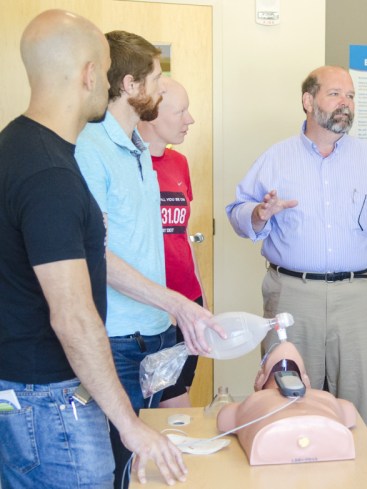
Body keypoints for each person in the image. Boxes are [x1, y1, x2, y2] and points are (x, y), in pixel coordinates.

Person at [0, 9, 187, 487]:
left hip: (22, 394)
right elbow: (73, 315)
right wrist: (130, 426)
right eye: (104, 70)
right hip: (50, 402)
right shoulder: (51, 175)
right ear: (89, 75)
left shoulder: (16, 147)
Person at [226, 65, 367, 441]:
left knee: (359, 407)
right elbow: (237, 214)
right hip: (293, 297)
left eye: (350, 96)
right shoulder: (275, 158)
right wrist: (257, 213)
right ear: (307, 101)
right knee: (288, 402)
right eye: (335, 94)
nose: (345, 104)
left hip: (359, 297)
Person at [75, 30, 222, 487]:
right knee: (119, 466)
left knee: (152, 467)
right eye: (157, 78)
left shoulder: (140, 150)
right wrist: (178, 304)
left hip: (154, 334)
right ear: (131, 86)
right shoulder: (88, 149)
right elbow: (94, 254)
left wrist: (176, 309)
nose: (161, 89)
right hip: (117, 340)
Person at [138, 77, 205, 408]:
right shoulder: (127, 164)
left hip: (188, 302)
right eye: (181, 111)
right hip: (149, 310)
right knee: (148, 409)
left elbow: (183, 235)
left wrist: (201, 298)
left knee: (177, 404)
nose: (189, 119)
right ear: (150, 115)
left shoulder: (179, 163)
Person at [216, 341, 358, 465]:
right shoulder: (325, 398)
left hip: (268, 440)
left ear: (260, 380)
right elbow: (348, 411)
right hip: (329, 435)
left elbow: (224, 418)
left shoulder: (248, 404)